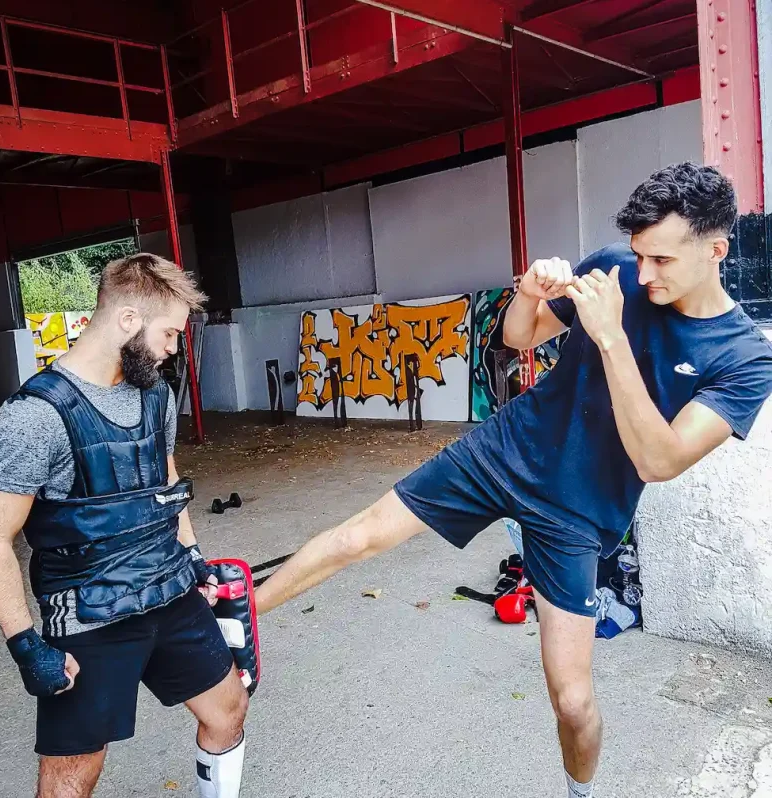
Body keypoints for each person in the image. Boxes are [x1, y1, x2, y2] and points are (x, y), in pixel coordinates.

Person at [254, 162, 772, 797]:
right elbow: (517, 337)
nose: (643, 275)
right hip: (508, 449)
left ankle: (581, 792)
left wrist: (611, 339)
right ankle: (236, 621)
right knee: (359, 536)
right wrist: (528, 293)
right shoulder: (615, 266)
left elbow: (659, 461)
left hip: (578, 509)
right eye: (639, 255)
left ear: (716, 250)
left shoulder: (744, 356)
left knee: (573, 699)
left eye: (661, 260)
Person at [0, 254, 248, 798]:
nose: (174, 348)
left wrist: (192, 555)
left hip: (169, 591)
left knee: (228, 710)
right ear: (128, 320)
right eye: (169, 333)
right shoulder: (35, 416)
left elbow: (164, 477)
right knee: (73, 774)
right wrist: (26, 646)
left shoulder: (155, 395)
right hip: (90, 614)